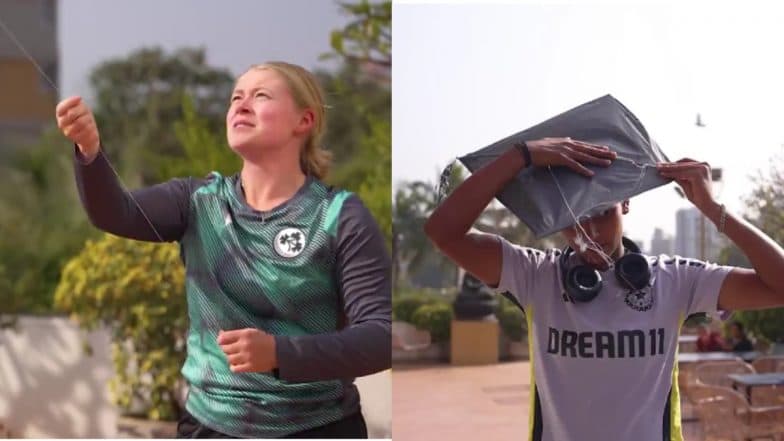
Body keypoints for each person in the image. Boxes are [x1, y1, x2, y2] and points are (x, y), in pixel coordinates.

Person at [56, 61, 391, 439]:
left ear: (304, 121)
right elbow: (114, 213)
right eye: (236, 97)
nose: (241, 105)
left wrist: (280, 354)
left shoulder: (338, 216)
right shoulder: (198, 202)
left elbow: (379, 337)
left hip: (319, 426)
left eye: (260, 95)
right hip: (210, 426)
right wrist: (89, 152)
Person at [424, 137, 784, 441]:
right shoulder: (535, 275)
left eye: (602, 213)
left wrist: (712, 208)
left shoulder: (677, 280)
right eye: (575, 218)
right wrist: (521, 157)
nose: (590, 233)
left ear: (626, 203)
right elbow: (443, 232)